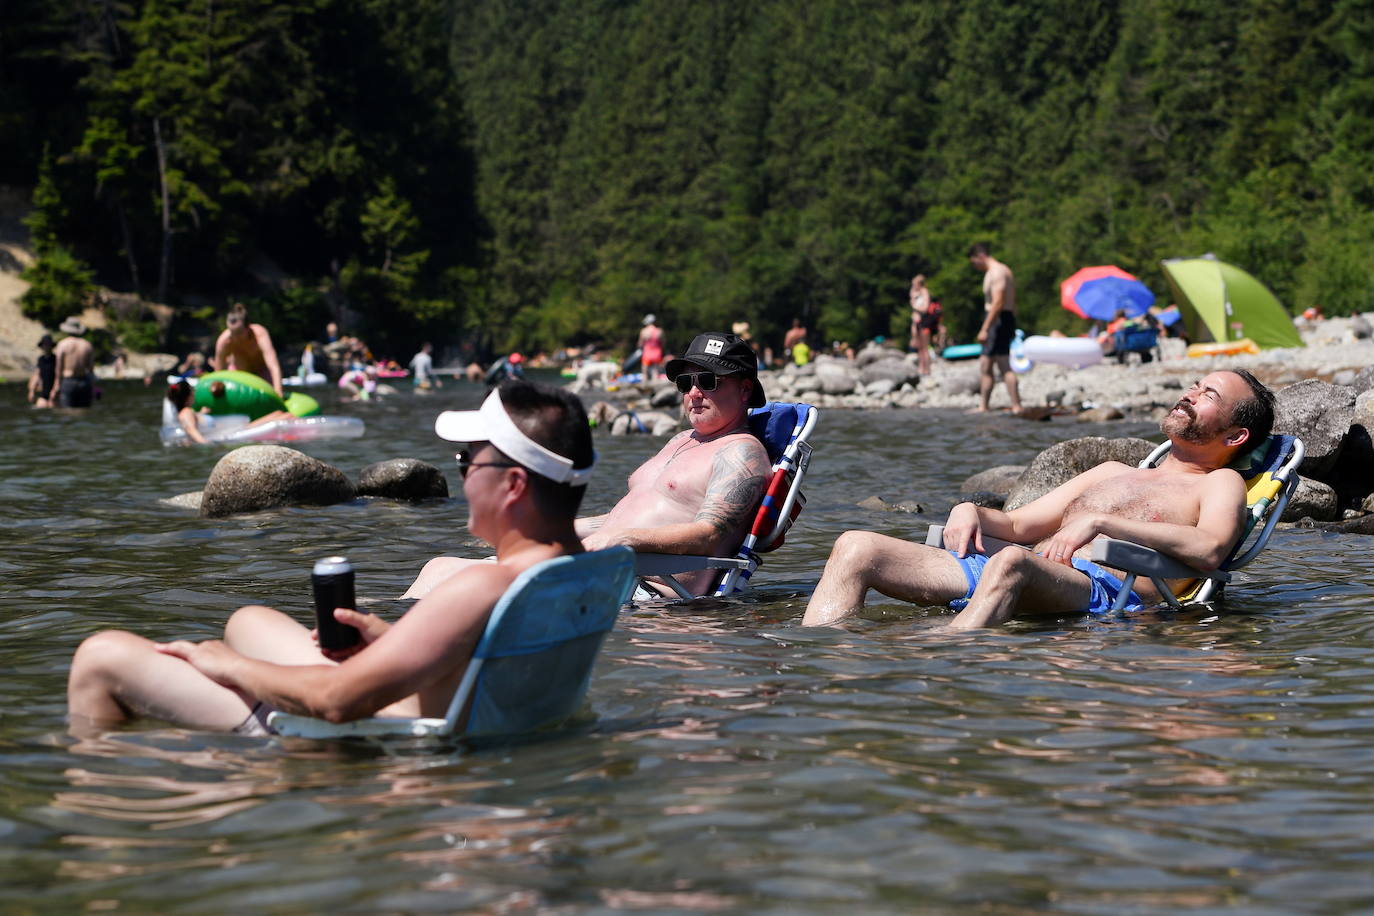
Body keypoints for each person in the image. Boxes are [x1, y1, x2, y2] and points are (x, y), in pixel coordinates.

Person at [67, 380, 597, 735]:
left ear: (512, 484)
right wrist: (393, 640)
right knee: (247, 619)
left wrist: (229, 666)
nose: (460, 474)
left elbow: (337, 702)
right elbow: (490, 663)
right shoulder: (590, 570)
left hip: (373, 744)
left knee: (99, 656)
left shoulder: (481, 585)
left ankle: (109, 803)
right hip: (478, 717)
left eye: (466, 461)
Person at [802, 369, 1275, 629]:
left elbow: (1211, 549)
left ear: (1235, 435)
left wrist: (1102, 524)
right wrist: (970, 509)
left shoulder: (1219, 484)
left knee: (1012, 564)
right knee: (856, 546)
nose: (1190, 394)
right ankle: (823, 667)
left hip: (1106, 592)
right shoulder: (1113, 472)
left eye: (1208, 394)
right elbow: (1019, 527)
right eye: (1195, 384)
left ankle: (943, 668)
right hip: (1033, 568)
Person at [405, 331, 771, 600]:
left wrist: (621, 539)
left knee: (446, 577)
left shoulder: (741, 453)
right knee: (438, 568)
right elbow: (628, 517)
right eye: (685, 381)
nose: (693, 393)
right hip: (605, 567)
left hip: (645, 588)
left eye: (708, 381)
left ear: (743, 390)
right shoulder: (681, 441)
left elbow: (708, 534)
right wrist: (551, 527)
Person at [967, 243, 1022, 414]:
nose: (975, 267)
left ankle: (1012, 406)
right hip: (1005, 318)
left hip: (997, 319)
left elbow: (997, 302)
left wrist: (985, 328)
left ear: (980, 256)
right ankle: (1000, 405)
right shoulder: (1004, 270)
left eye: (974, 262)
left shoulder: (996, 272)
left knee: (997, 364)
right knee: (991, 363)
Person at [164, 379, 294, 444]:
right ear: (188, 397)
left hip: (236, 429)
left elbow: (195, 423)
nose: (194, 393)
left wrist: (202, 414)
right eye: (192, 391)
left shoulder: (190, 412)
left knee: (278, 414)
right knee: (285, 416)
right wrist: (207, 445)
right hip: (234, 433)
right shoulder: (186, 413)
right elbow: (192, 430)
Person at [212, 302, 284, 398]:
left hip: (262, 374)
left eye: (239, 332)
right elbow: (218, 372)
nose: (235, 337)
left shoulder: (260, 335)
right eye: (232, 332)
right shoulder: (224, 341)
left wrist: (278, 392)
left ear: (248, 327)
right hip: (240, 376)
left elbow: (274, 366)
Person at [51, 317, 97, 408]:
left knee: (68, 411)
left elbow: (58, 368)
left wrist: (56, 385)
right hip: (84, 382)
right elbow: (91, 369)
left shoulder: (62, 344)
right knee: (84, 411)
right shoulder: (87, 345)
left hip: (68, 381)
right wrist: (93, 386)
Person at [908, 274, 935, 376]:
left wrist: (914, 306)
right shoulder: (916, 293)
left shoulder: (924, 292)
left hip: (924, 323)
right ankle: (921, 368)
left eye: (914, 284)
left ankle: (927, 369)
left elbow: (925, 308)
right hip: (916, 323)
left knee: (925, 347)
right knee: (919, 347)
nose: (913, 286)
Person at [27, 333, 56, 408]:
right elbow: (37, 375)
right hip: (44, 391)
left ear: (51, 346)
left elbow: (59, 376)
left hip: (54, 391)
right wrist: (31, 391)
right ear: (42, 346)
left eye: (48, 344)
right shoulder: (41, 359)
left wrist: (55, 390)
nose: (46, 346)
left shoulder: (56, 359)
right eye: (44, 344)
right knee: (40, 407)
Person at [639, 314, 665, 380]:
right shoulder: (659, 331)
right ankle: (655, 388)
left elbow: (640, 344)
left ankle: (644, 387)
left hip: (647, 353)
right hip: (657, 352)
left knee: (644, 372)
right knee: (655, 372)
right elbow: (663, 343)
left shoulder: (644, 331)